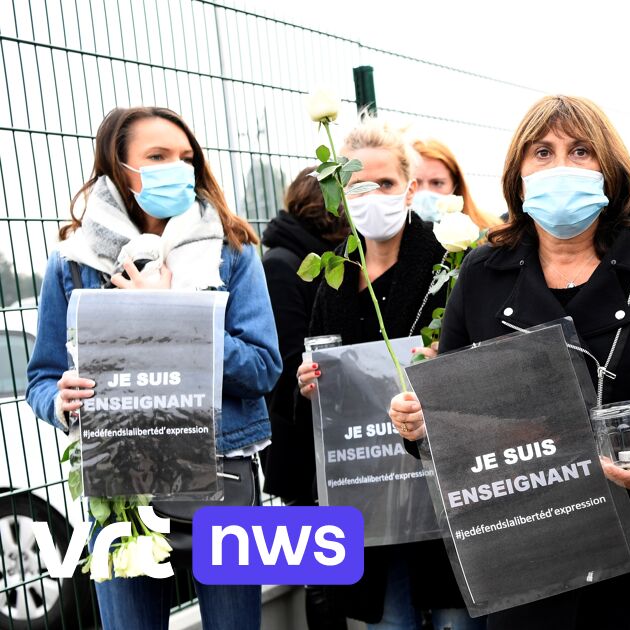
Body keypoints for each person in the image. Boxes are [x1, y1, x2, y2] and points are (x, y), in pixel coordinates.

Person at [388, 94, 630, 629]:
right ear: (517, 174)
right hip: (528, 568)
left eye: (580, 151)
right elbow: (452, 420)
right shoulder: (482, 274)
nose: (561, 166)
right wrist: (420, 426)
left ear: (609, 169)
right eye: (542, 152)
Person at [25, 106, 282, 629]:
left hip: (222, 473)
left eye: (186, 158)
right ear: (119, 168)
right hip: (122, 483)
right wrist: (60, 400)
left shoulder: (232, 252)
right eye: (158, 157)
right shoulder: (72, 264)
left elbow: (262, 368)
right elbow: (42, 377)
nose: (178, 169)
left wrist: (173, 315)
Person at [293, 117, 476, 630]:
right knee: (389, 621)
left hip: (440, 483)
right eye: (359, 187)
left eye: (386, 184)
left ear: (411, 187)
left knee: (455, 620)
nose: (373, 196)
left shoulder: (450, 263)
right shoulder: (336, 274)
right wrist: (308, 384)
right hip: (370, 488)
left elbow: (484, 362)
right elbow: (310, 369)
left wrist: (448, 363)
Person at [259, 166, 350, 629]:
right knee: (323, 575)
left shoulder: (326, 257)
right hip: (302, 445)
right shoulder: (281, 263)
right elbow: (289, 357)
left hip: (331, 440)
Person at [411, 138, 501, 229]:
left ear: (455, 185)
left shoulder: (490, 230)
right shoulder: (397, 238)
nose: (426, 192)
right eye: (415, 183)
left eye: (437, 183)